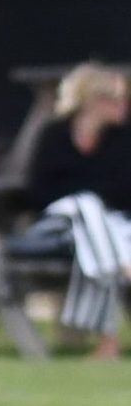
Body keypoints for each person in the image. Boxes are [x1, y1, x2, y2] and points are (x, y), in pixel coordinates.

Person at [21, 64, 131, 358]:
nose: (123, 105)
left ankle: (108, 342)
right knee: (86, 206)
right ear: (91, 100)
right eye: (115, 99)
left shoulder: (123, 140)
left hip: (107, 231)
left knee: (95, 227)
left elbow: (125, 193)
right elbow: (39, 194)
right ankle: (123, 265)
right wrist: (88, 196)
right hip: (60, 228)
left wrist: (84, 193)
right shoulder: (53, 136)